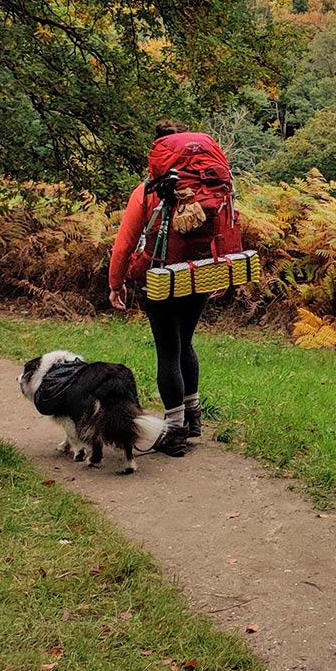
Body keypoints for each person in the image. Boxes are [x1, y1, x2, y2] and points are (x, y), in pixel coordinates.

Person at [107, 119, 223, 457]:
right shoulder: (211, 183)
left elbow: (124, 243)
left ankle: (174, 433)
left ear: (158, 151)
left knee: (168, 349)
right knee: (185, 341)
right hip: (201, 273)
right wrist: (220, 272)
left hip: (161, 276)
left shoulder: (148, 190)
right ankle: (193, 418)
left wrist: (116, 283)